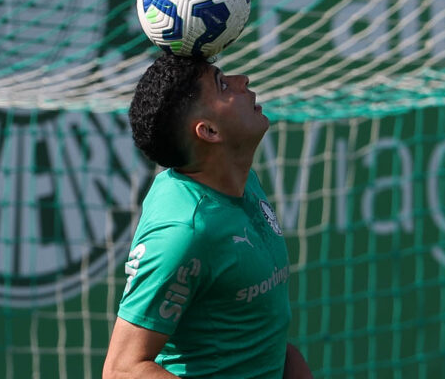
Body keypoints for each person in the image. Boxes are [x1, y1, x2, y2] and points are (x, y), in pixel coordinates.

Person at [102, 53, 313, 379]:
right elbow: (122, 369)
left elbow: (259, 341)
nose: (243, 81)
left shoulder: (238, 181)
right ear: (209, 131)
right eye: (223, 85)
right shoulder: (185, 232)